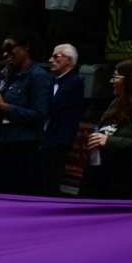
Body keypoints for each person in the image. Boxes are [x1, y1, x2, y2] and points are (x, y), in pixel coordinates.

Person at [0, 29, 53, 196]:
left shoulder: (38, 77)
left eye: (10, 48)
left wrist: (5, 108)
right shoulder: (9, 75)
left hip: (21, 149)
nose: (5, 54)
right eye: (3, 50)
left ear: (25, 48)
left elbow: (40, 114)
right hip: (1, 143)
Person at [80, 58, 132, 199]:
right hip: (99, 174)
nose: (111, 81)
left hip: (125, 182)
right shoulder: (117, 103)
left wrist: (109, 142)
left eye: (116, 77)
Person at [42, 44, 86, 195]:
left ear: (68, 60)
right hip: (47, 137)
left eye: (56, 56)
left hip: (56, 140)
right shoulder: (55, 81)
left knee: (49, 180)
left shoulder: (74, 82)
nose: (50, 60)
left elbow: (50, 106)